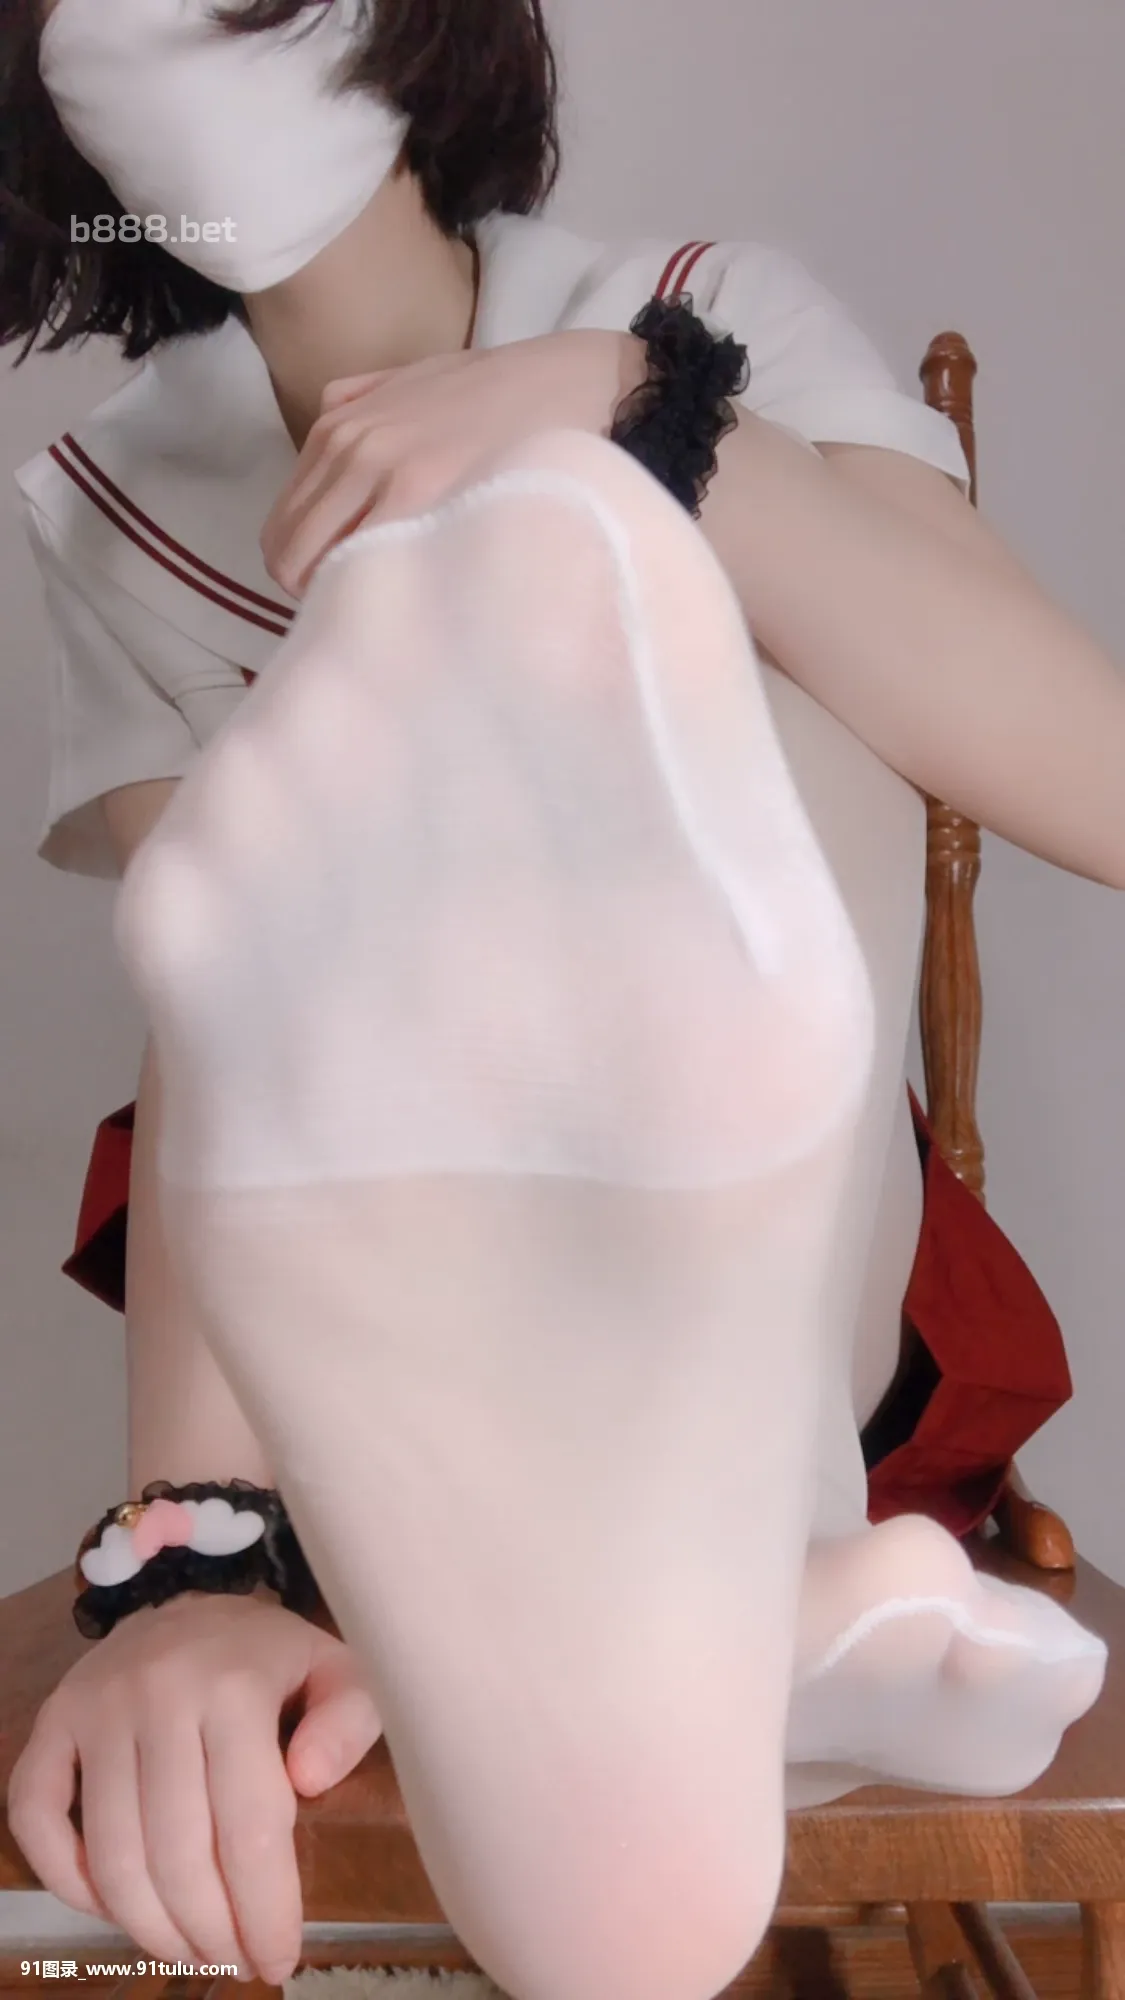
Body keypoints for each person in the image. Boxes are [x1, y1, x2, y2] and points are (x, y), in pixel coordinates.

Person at [2, 1, 1119, 1995]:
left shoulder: (695, 311)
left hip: (810, 1311)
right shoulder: (113, 501)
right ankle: (719, 1619)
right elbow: (222, 1026)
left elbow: (1097, 779)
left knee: (725, 668)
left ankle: (704, 1520)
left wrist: (637, 416)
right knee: (276, 894)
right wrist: (197, 1555)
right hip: (375, 1344)